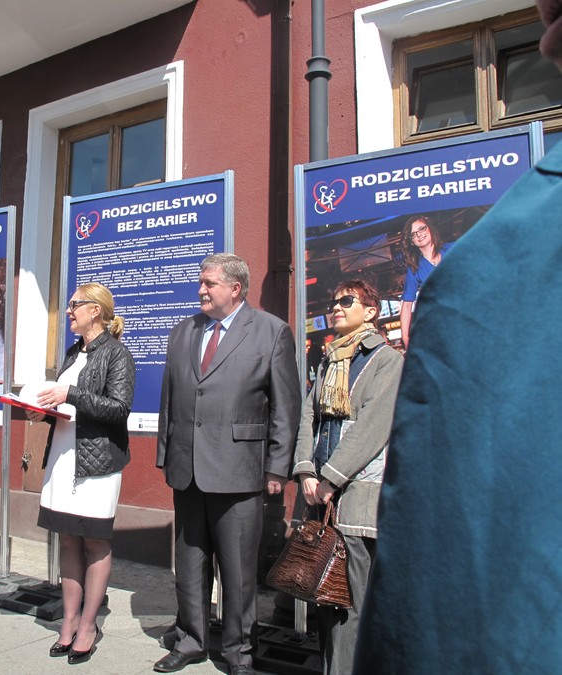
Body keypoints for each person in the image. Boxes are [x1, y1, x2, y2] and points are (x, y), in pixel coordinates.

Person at [353, 5, 562, 672]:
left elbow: (449, 588)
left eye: (423, 230)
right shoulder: (446, 278)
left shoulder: (484, 270)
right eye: (411, 232)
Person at [155, 253, 302, 675]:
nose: (200, 289)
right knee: (190, 564)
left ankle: (239, 652)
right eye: (201, 282)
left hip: (239, 470)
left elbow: (285, 407)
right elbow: (170, 398)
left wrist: (277, 467)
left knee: (237, 571)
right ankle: (191, 640)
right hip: (187, 469)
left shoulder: (271, 332)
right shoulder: (184, 331)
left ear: (236, 288)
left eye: (209, 283)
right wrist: (166, 453)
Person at [291, 279, 402, 675]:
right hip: (320, 498)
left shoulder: (387, 360)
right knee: (324, 597)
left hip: (355, 496)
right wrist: (305, 471)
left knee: (350, 602)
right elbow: (309, 417)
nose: (336, 307)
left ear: (371, 311)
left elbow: (372, 428)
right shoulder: (329, 359)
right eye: (333, 301)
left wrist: (330, 478)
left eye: (347, 300)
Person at [25, 283, 135, 665]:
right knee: (68, 540)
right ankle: (69, 620)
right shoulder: (73, 353)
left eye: (75, 305)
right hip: (63, 457)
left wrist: (69, 395)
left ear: (96, 311)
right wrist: (42, 412)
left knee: (95, 542)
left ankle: (89, 625)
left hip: (97, 462)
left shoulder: (118, 354)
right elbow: (65, 407)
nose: (69, 311)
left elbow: (119, 409)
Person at [398, 215, 451, 349]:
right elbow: (407, 305)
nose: (419, 235)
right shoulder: (415, 268)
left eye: (422, 229)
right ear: (411, 241)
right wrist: (405, 337)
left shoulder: (453, 248)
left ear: (430, 229)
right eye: (413, 234)